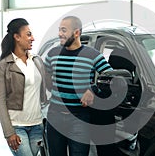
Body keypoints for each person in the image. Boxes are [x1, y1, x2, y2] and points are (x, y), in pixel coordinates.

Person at [44, 15, 113, 156]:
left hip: (79, 118)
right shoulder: (52, 54)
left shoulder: (93, 55)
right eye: (59, 30)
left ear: (76, 33)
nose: (59, 34)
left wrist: (93, 91)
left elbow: (112, 78)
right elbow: (46, 76)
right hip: (54, 117)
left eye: (64, 30)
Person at [0, 18, 48, 156]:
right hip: (17, 127)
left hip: (37, 125)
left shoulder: (37, 61)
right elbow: (0, 102)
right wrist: (8, 133)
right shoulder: (4, 66)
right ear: (17, 37)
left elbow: (47, 90)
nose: (33, 38)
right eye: (29, 34)